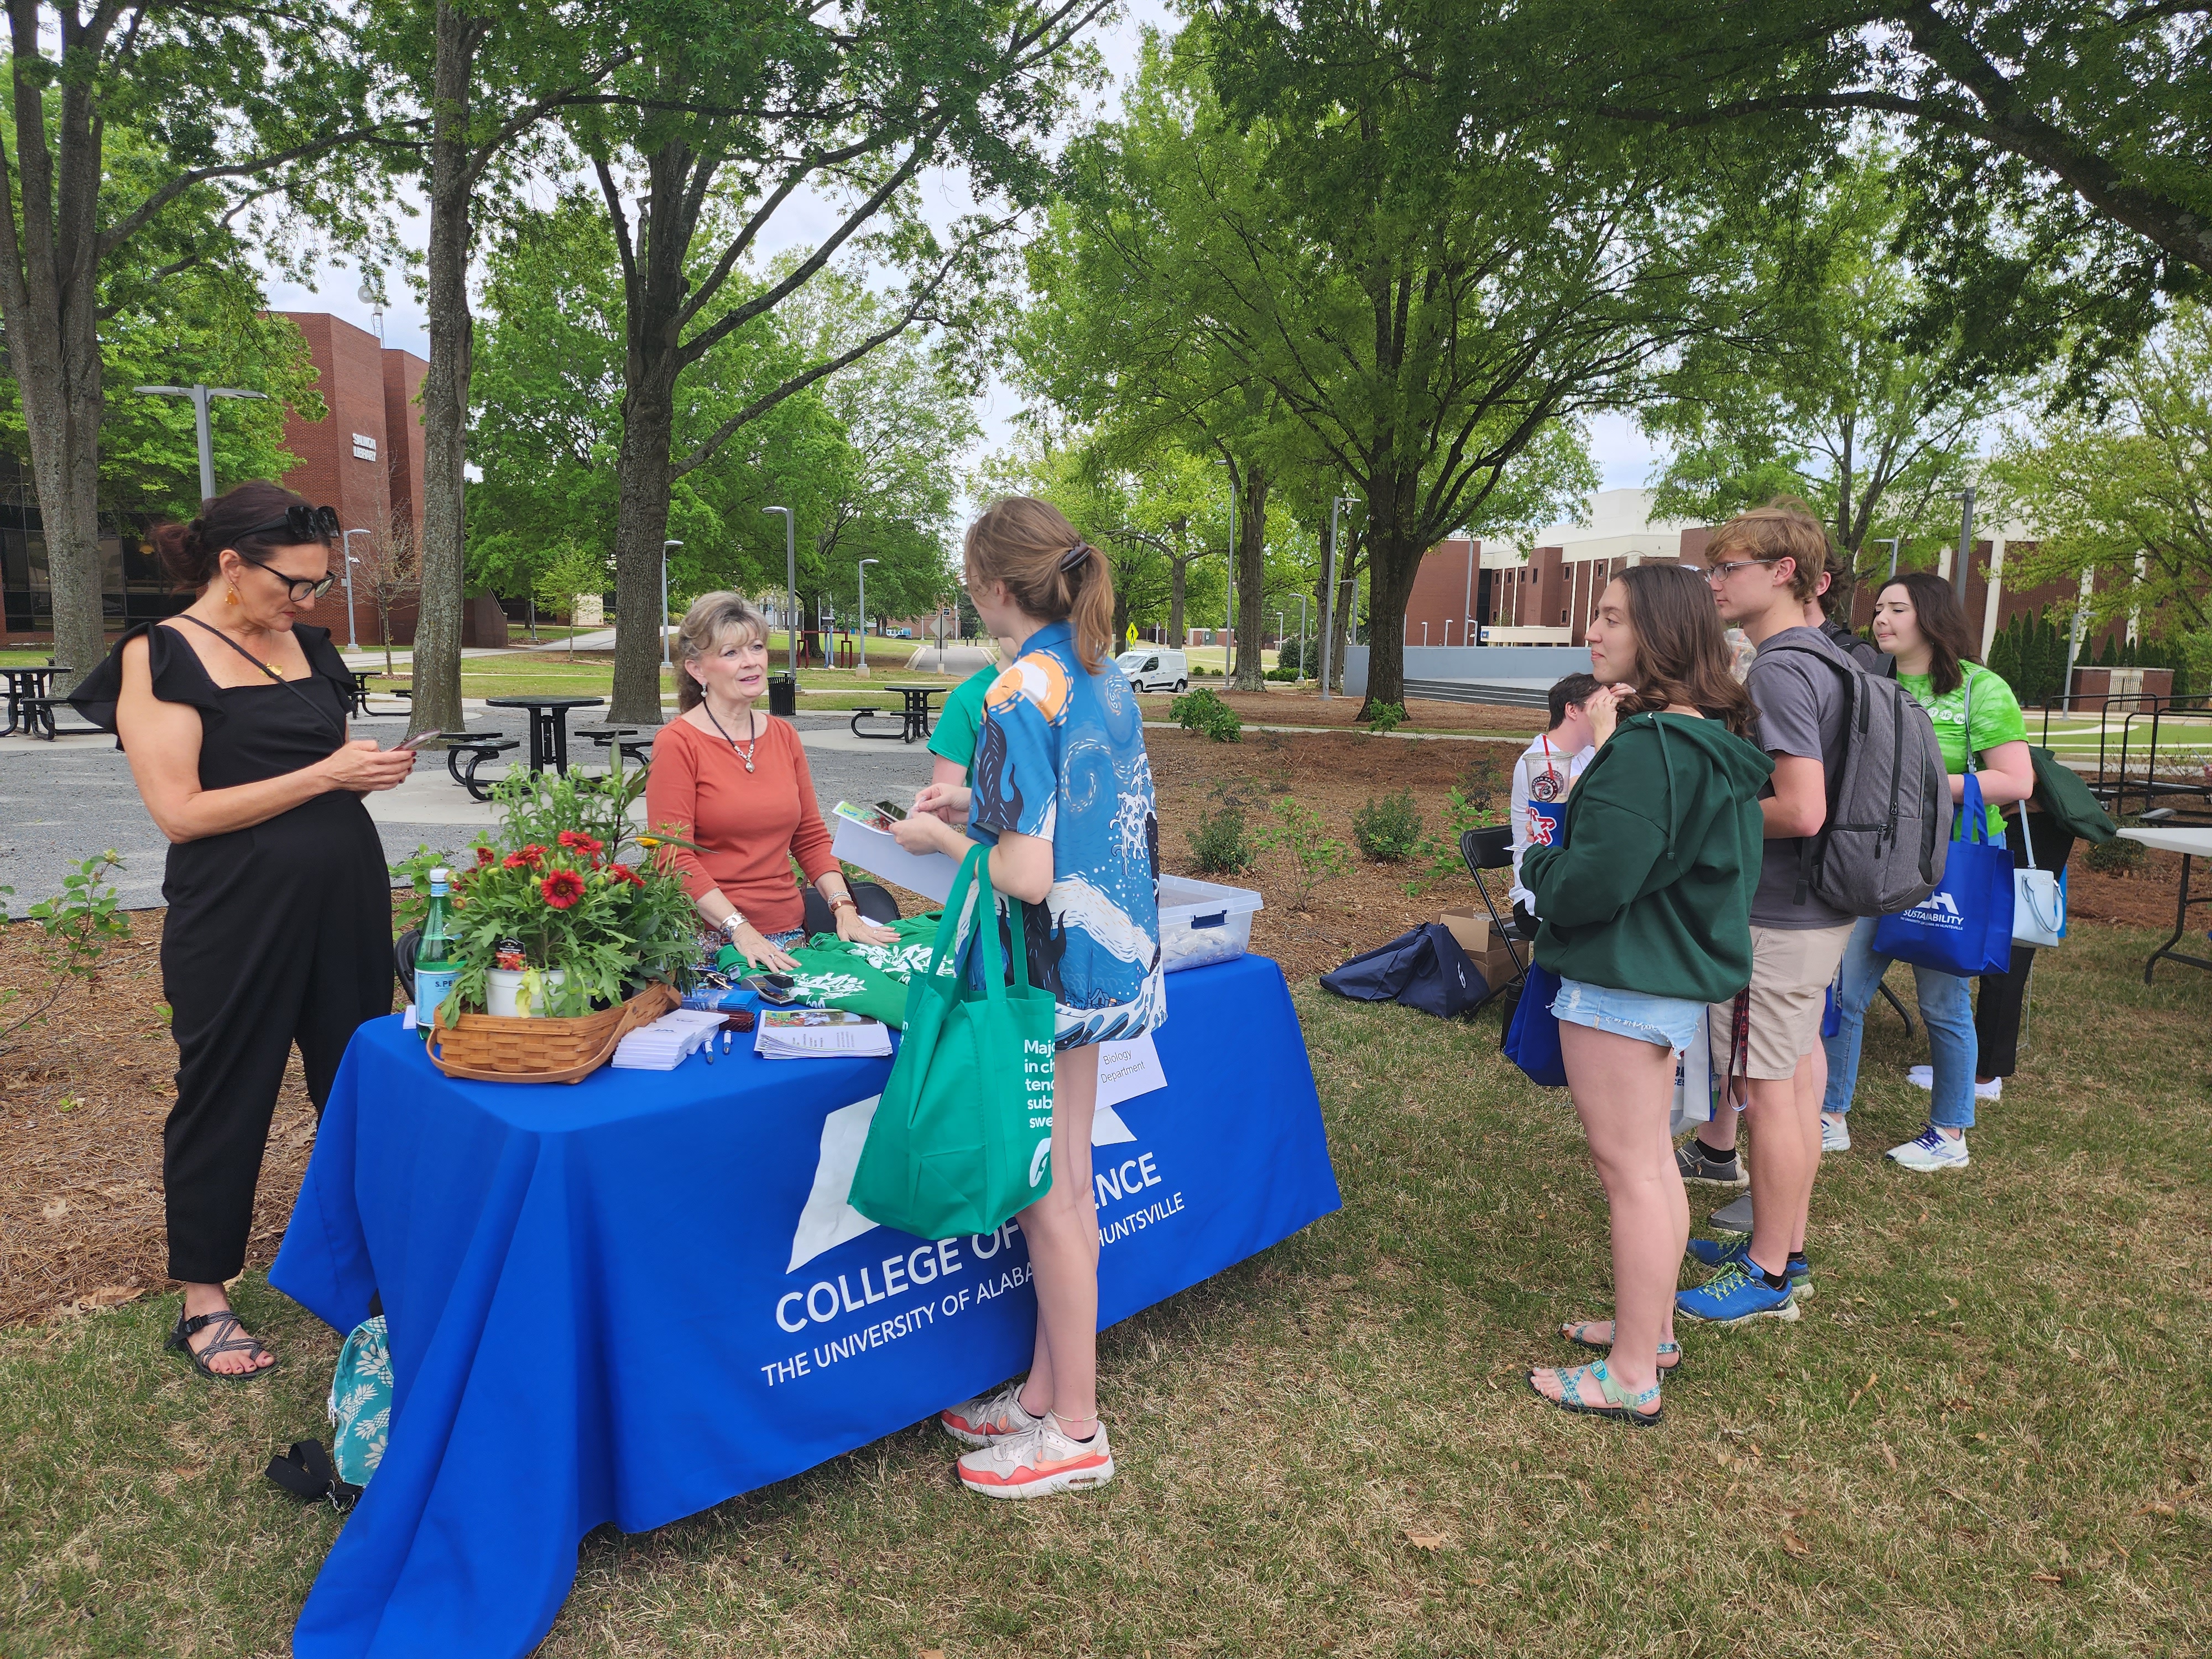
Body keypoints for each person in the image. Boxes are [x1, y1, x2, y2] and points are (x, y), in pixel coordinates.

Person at [66, 482, 413, 1379]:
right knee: (229, 1090)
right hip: (236, 915)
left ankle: (376, 1273)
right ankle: (204, 1297)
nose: (305, 601)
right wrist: (326, 777)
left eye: (319, 584)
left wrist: (367, 774)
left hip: (345, 895)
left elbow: (327, 762)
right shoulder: (160, 657)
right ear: (231, 565)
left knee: (357, 1083)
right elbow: (181, 811)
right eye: (293, 583)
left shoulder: (309, 644)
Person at [886, 497, 1163, 1495]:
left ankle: (1077, 1431)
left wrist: (943, 841)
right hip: (1111, 969)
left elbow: (1026, 877)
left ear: (992, 588)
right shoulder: (1099, 674)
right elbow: (1083, 818)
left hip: (1048, 976)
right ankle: (1049, 1394)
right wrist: (983, 805)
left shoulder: (1013, 692)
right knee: (1072, 1182)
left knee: (1050, 1195)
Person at [1521, 563, 1770, 1425]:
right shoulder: (1703, 740)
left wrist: (1539, 861)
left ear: (1661, 634)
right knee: (1653, 1165)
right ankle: (1648, 1329)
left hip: (1623, 979)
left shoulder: (1651, 748)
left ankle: (1632, 1372)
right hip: (1661, 978)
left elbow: (1588, 879)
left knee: (1630, 1170)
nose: (1595, 632)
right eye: (1596, 615)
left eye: (1614, 618)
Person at [1674, 501, 1858, 1327]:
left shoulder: (1781, 667)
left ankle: (1767, 1270)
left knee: (1768, 1089)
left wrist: (1709, 815)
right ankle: (1788, 1243)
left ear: (1782, 572)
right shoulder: (1831, 659)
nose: (1714, 582)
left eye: (1728, 568)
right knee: (1801, 1073)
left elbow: (1801, 808)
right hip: (1825, 907)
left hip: (1780, 911)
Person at [1822, 571, 2034, 1170]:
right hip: (1874, 860)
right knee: (1846, 991)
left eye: (1896, 609)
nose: (1880, 620)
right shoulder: (1867, 682)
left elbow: (2015, 781)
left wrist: (1923, 788)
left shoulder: (1979, 689)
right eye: (1878, 609)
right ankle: (1830, 1115)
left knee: (1943, 1002)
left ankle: (1949, 1134)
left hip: (1948, 864)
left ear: (1932, 618)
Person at [646, 592, 897, 968]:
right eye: (731, 653)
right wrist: (740, 929)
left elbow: (810, 836)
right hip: (711, 943)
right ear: (698, 670)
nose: (751, 663)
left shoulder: (783, 736)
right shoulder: (678, 743)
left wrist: (843, 906)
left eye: (757, 647)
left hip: (789, 935)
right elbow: (671, 857)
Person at [1506, 672, 1598, 935]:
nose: (1608, 715)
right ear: (1572, 710)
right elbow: (1596, 791)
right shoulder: (1541, 761)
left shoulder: (1587, 754)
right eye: (1600, 706)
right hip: (1540, 893)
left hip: (1571, 882)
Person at [915, 633, 1020, 825]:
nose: (1024, 628)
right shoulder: (966, 699)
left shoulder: (1079, 690)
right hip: (993, 849)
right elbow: (943, 809)